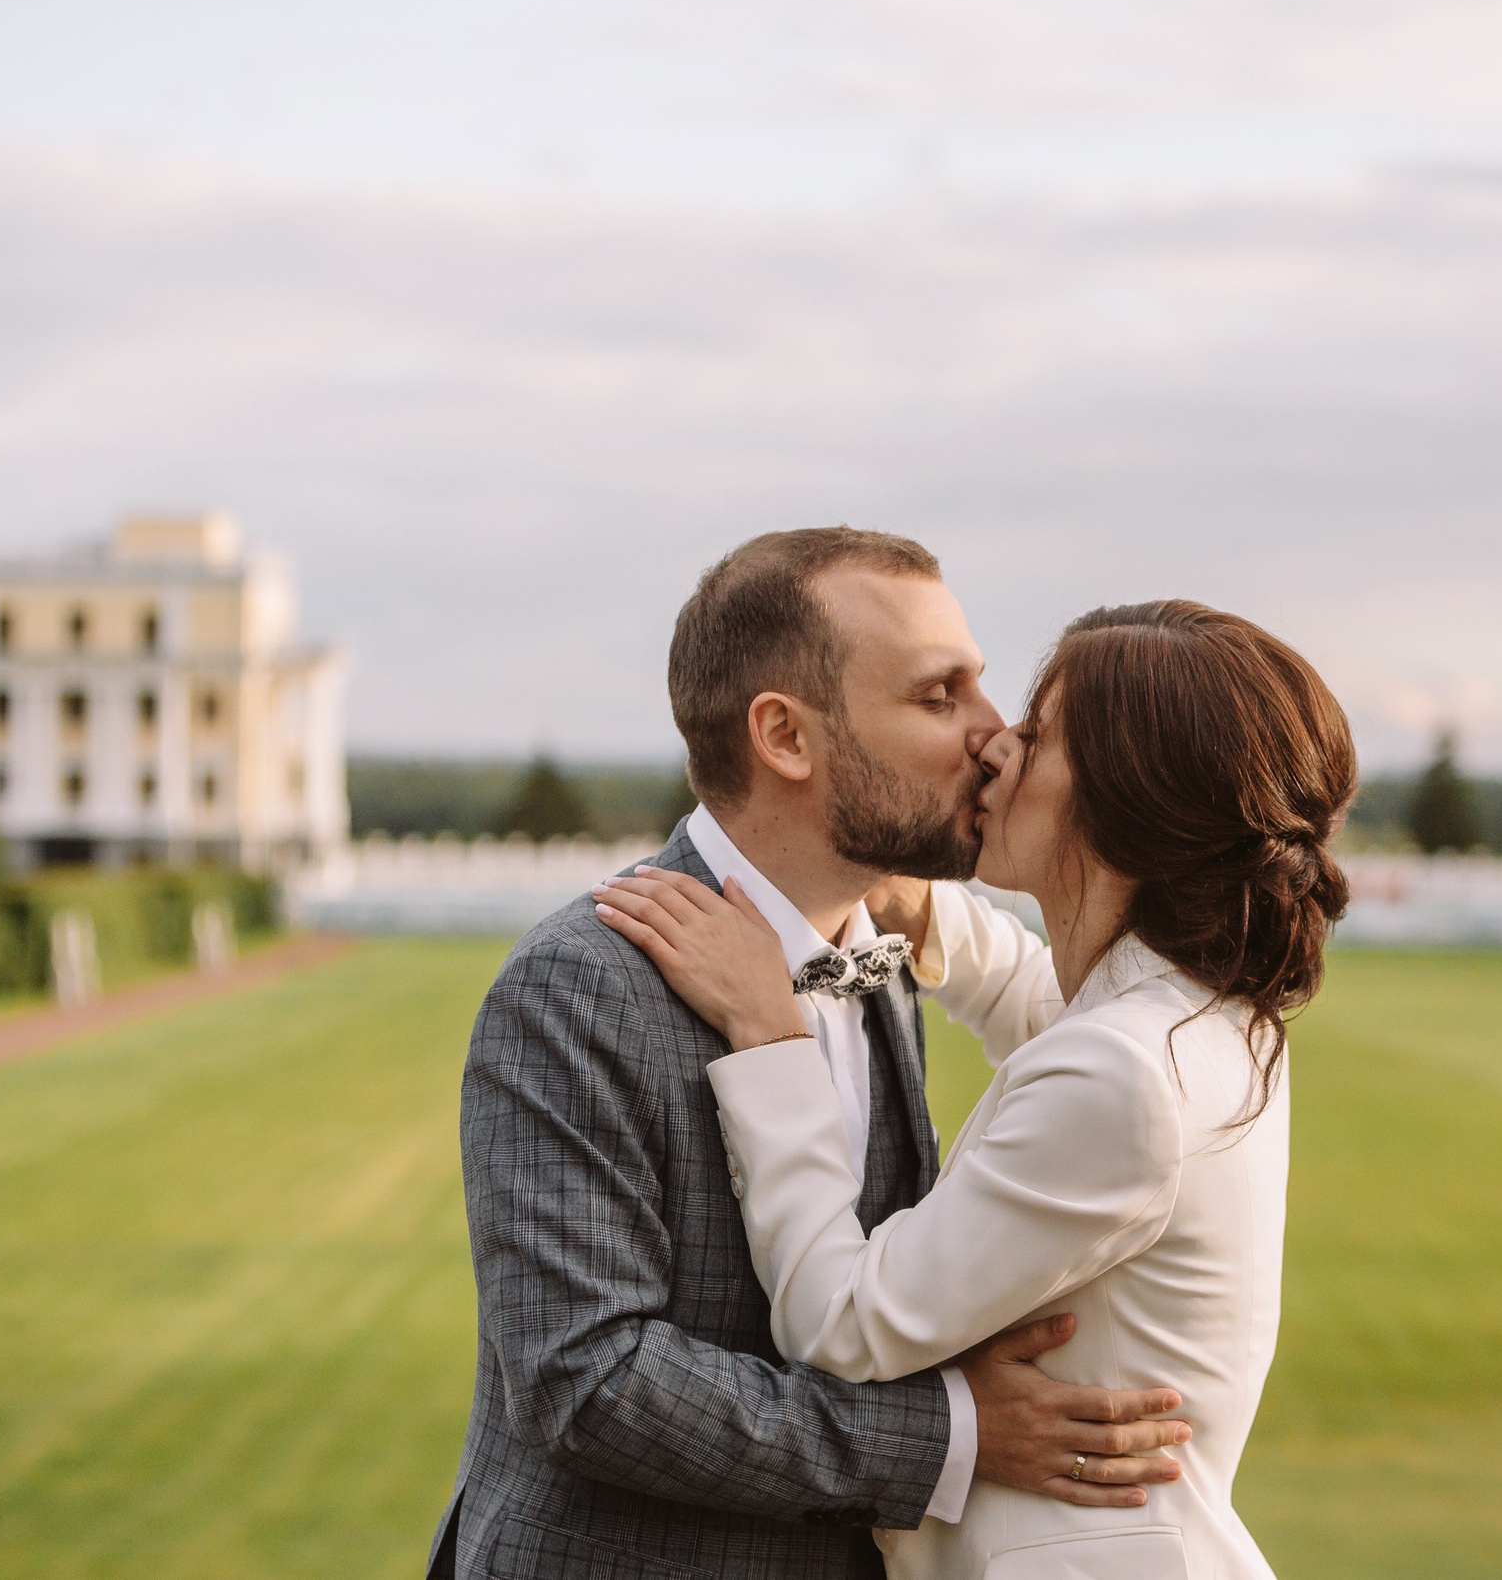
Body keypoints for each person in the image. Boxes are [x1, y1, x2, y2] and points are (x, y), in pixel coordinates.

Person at [432, 530, 1196, 1580]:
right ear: (785, 736)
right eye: (940, 697)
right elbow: (587, 1380)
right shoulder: (577, 985)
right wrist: (951, 1435)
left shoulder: (875, 960)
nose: (995, 736)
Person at [594, 600, 1356, 1579]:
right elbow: (1037, 999)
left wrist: (770, 1034)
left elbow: (840, 1323)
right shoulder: (1193, 1015)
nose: (994, 744)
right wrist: (913, 914)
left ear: (1126, 803)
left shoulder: (1125, 1073)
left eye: (1037, 736)